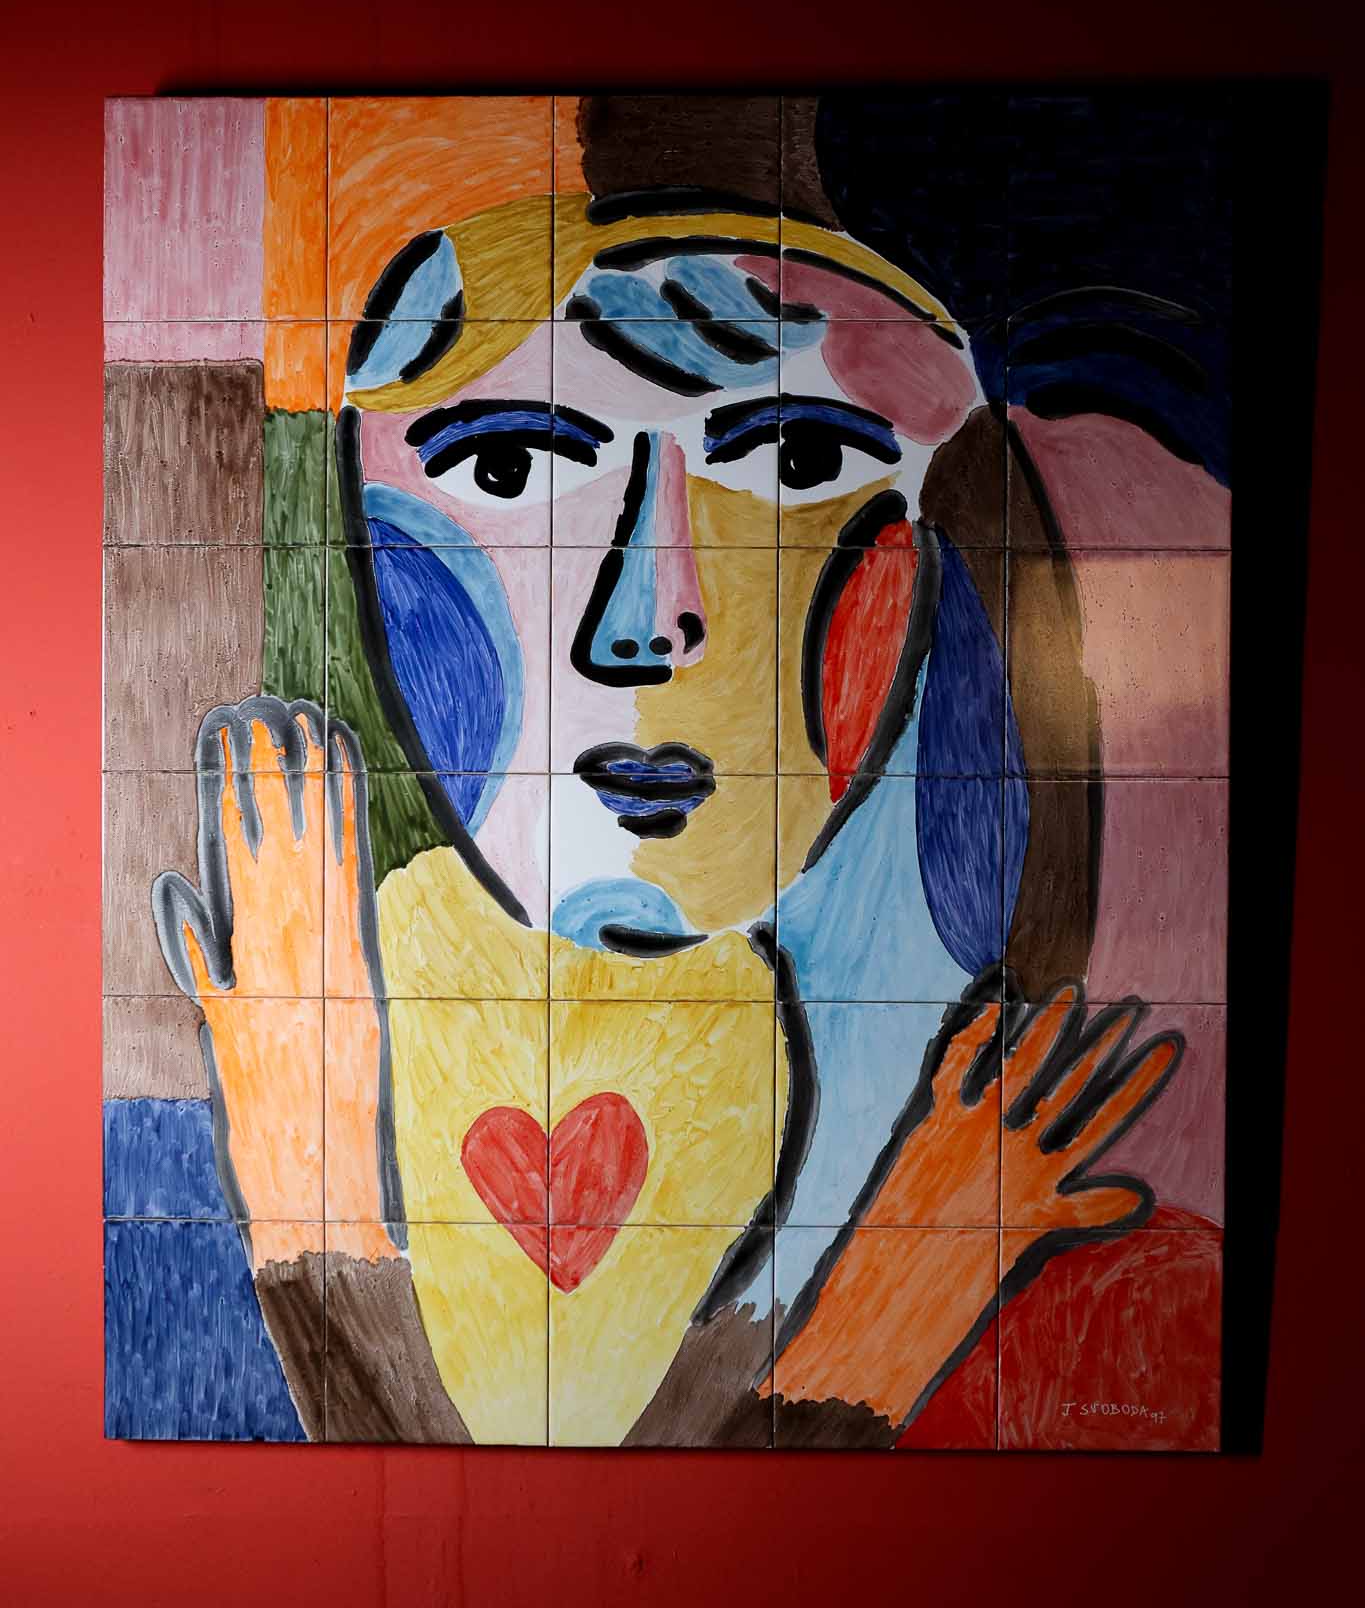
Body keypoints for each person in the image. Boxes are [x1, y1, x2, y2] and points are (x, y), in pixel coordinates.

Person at [151, 183, 1194, 1447]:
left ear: (943, 538)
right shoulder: (166, 1149)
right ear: (359, 539)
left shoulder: (1120, 1289)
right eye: (508, 464)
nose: (647, 617)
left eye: (797, 461)